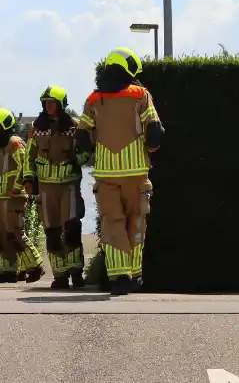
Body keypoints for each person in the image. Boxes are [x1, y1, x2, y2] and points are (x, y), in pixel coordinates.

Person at [76, 47, 165, 296]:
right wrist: (149, 148)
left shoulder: (94, 98)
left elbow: (82, 137)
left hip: (106, 175)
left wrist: (99, 147)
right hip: (136, 174)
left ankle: (119, 278)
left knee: (112, 224)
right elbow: (155, 131)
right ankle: (134, 275)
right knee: (136, 223)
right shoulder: (141, 95)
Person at [25, 85, 88, 290]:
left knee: (71, 230)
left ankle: (76, 273)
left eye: (52, 103)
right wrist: (28, 179)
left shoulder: (74, 126)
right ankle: (59, 275)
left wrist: (75, 159)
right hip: (45, 188)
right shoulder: (37, 127)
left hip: (68, 185)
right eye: (46, 103)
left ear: (61, 104)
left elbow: (87, 153)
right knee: (51, 233)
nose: (49, 106)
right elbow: (30, 156)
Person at [0, 108, 44, 283]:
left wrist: (16, 188)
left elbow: (25, 165)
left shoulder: (14, 142)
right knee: (1, 234)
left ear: (5, 126)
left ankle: (36, 266)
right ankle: (7, 271)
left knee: (16, 233)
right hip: (1, 197)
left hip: (14, 197)